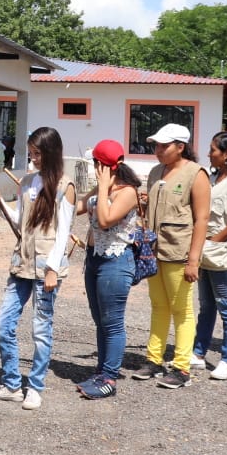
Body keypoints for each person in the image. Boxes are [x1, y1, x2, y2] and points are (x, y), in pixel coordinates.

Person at [0, 126, 74, 411]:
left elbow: (63, 232)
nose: (33, 158)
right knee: (3, 323)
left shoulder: (65, 186)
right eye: (31, 153)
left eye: (38, 153)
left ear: (51, 152)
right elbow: (19, 221)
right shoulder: (26, 182)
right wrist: (0, 203)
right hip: (21, 264)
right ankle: (12, 384)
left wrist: (52, 269)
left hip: (47, 269)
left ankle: (35, 386)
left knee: (41, 328)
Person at [132, 123, 210, 389]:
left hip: (179, 251)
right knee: (158, 305)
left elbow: (202, 219)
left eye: (164, 146)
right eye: (156, 145)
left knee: (182, 309)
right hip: (155, 251)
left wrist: (193, 260)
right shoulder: (156, 172)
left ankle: (181, 367)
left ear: (180, 147)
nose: (158, 150)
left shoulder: (196, 174)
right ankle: (153, 360)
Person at [74, 139, 141, 400]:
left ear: (113, 166)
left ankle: (110, 378)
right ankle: (101, 371)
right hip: (94, 259)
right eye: (95, 164)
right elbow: (78, 208)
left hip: (116, 261)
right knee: (100, 320)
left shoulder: (128, 192)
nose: (96, 169)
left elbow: (104, 220)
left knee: (112, 322)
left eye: (99, 164)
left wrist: (103, 188)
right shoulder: (102, 188)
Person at [190, 132, 227, 381]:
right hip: (204, 250)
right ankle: (198, 352)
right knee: (206, 305)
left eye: (213, 150)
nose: (209, 154)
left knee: (226, 305)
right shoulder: (213, 178)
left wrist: (215, 240)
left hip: (220, 252)